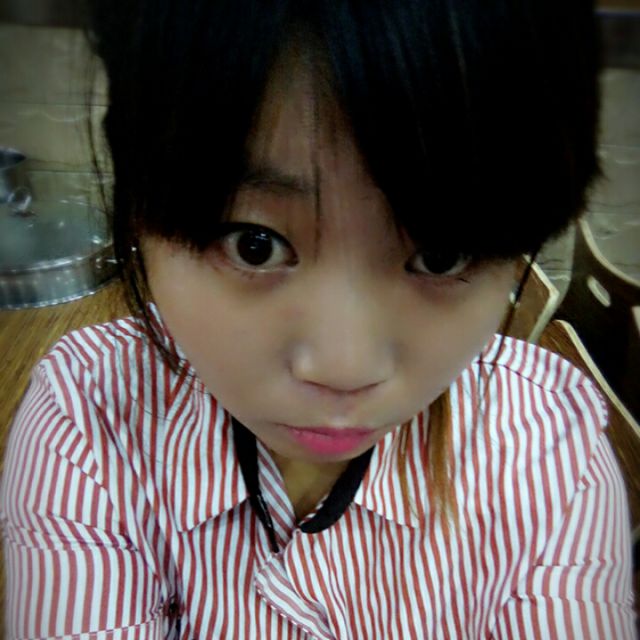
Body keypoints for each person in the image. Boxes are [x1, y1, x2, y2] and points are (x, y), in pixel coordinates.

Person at [0, 0, 636, 637]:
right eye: (254, 244)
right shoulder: (90, 418)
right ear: (140, 214)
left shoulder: (547, 450)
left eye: (442, 256)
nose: (344, 368)